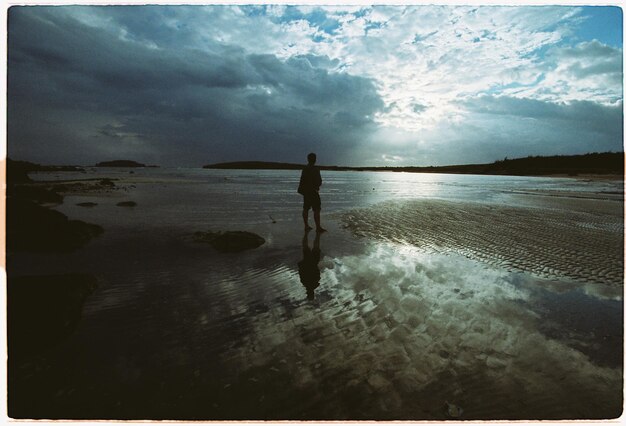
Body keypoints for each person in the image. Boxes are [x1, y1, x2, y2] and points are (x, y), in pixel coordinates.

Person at [298, 152, 326, 232]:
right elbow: (319, 181)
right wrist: (317, 186)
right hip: (313, 192)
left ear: (308, 159)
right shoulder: (315, 169)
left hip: (306, 192)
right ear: (315, 160)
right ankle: (318, 227)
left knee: (306, 208)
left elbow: (302, 180)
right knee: (316, 209)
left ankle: (306, 226)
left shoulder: (305, 169)